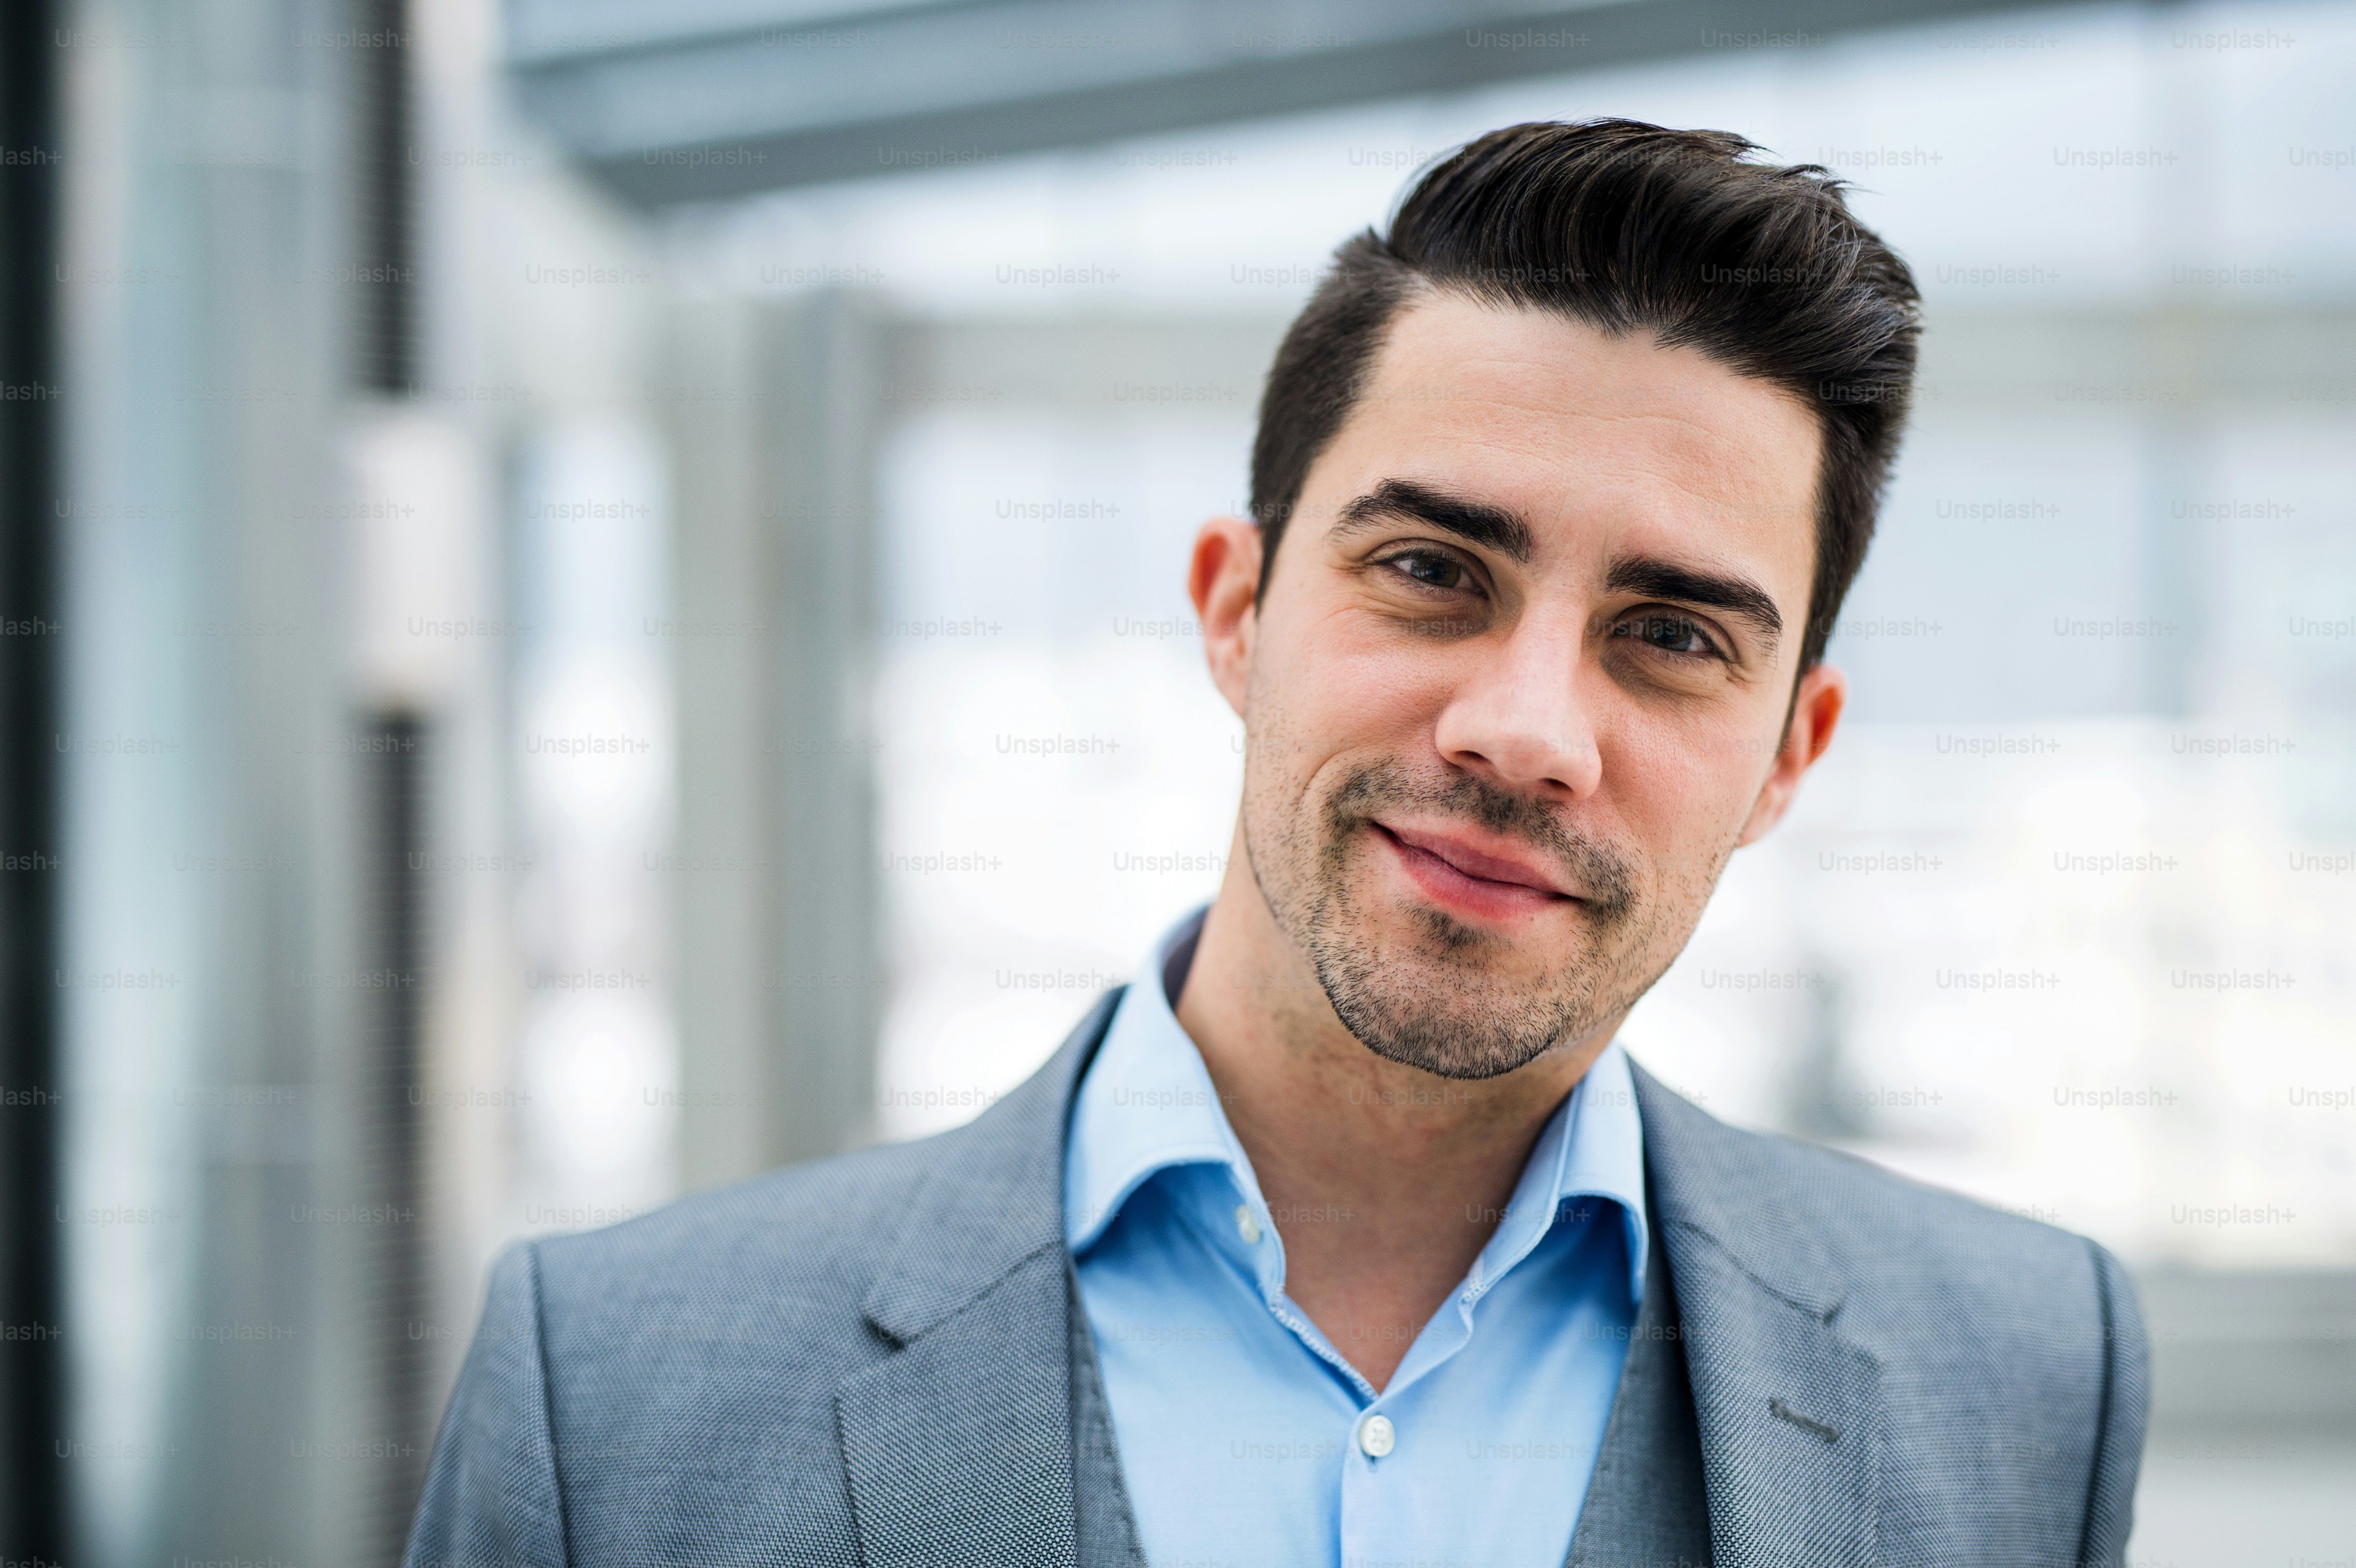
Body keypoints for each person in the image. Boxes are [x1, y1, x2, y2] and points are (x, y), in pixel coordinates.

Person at [407, 119, 2146, 1568]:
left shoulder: (2024, 1381)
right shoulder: (614, 1399)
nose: (1527, 731)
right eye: (1433, 571)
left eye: (1675, 636)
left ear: (1789, 757)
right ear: (1235, 611)